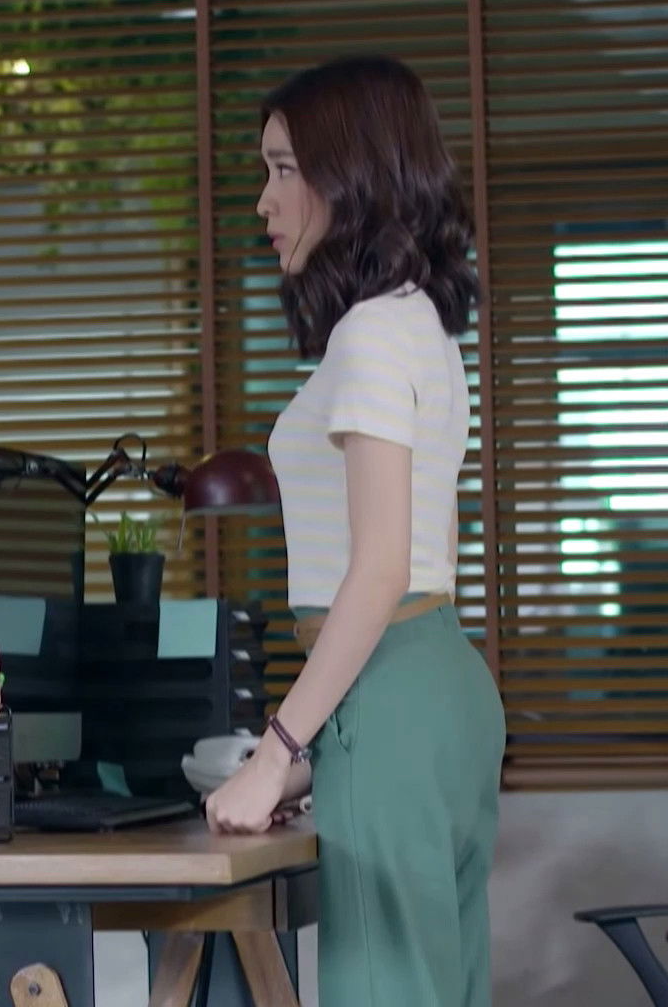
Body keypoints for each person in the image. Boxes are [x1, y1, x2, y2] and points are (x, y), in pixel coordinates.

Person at [203, 54, 506, 1007]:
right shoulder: (421, 326)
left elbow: (378, 568)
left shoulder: (372, 334)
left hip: (391, 688)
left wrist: (273, 757)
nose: (265, 201)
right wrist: (317, 750)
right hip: (431, 691)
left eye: (284, 169)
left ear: (353, 176)